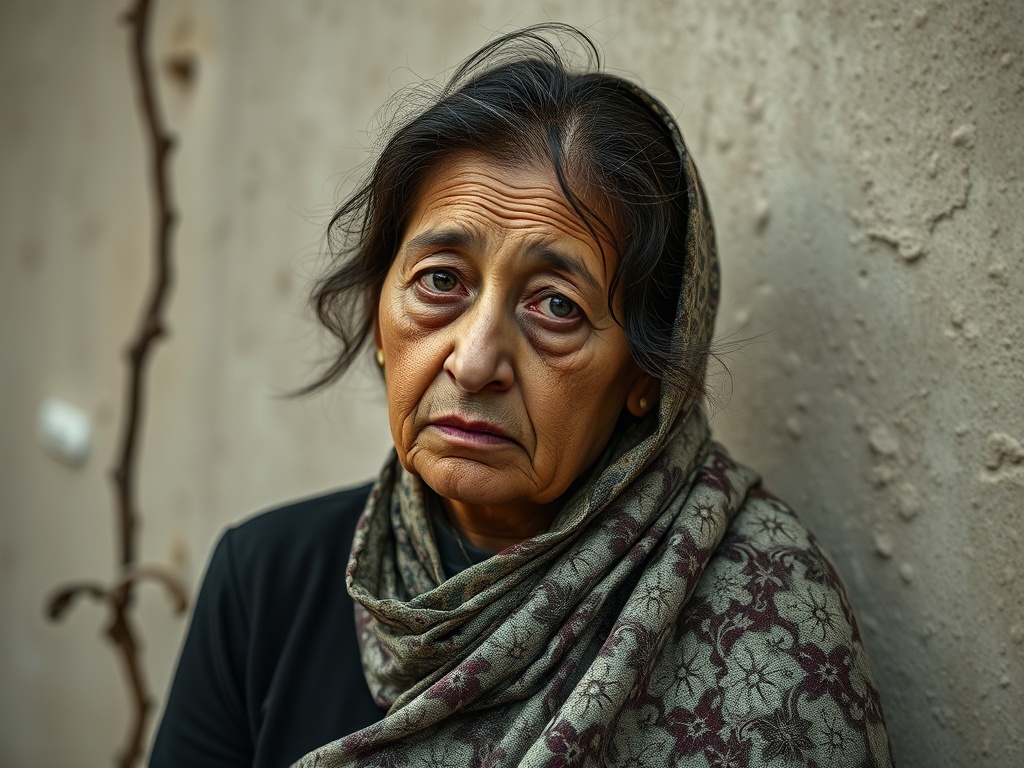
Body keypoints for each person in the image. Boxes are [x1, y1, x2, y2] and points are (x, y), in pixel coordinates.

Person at [151, 24, 894, 768]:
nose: (474, 363)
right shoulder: (266, 584)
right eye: (441, 281)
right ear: (380, 317)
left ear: (647, 378)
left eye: (557, 307)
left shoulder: (763, 619)